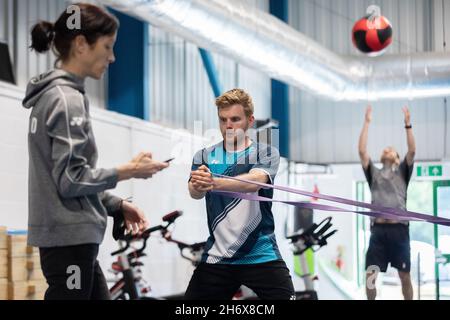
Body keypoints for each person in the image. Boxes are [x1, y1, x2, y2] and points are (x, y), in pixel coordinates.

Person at [22, 3, 169, 300]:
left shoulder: (59, 96)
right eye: (107, 46)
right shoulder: (66, 100)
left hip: (74, 240)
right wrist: (129, 170)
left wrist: (114, 204)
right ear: (81, 44)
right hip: (69, 240)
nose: (113, 57)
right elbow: (71, 180)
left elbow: (65, 178)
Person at [186, 88, 295, 300]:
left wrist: (214, 182)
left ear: (250, 120)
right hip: (218, 257)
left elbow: (255, 182)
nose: (228, 126)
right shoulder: (205, 156)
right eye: (223, 119)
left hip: (261, 254)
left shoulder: (265, 152)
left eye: (235, 119)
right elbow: (194, 192)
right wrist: (198, 185)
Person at [358, 105, 416, 300]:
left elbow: (412, 150)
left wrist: (408, 124)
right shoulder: (374, 174)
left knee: (405, 276)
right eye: (385, 149)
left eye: (392, 150)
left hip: (399, 231)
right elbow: (362, 151)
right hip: (378, 232)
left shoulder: (402, 172)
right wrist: (367, 122)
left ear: (398, 160)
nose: (387, 150)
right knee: (370, 275)